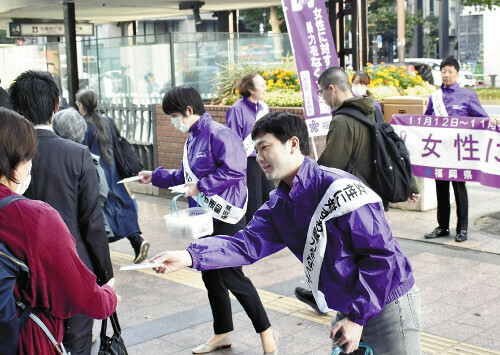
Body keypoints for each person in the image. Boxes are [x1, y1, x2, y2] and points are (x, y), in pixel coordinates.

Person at [149, 112, 422, 355]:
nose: (259, 158)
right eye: (256, 150)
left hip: (386, 303)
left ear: (293, 144)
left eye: (265, 147)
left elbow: (381, 257)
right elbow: (245, 245)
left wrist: (358, 317)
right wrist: (188, 256)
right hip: (350, 307)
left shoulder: (339, 188)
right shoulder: (280, 204)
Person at [138, 86, 277, 354]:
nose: (173, 122)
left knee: (230, 274)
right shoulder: (193, 138)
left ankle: (266, 331)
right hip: (204, 215)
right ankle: (222, 332)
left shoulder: (220, 134)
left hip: (226, 214)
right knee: (210, 275)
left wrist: (201, 187)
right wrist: (154, 176)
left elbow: (235, 172)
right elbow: (185, 175)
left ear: (189, 111)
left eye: (175, 115)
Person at [8, 70, 114, 355]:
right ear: (57, 104)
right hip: (72, 270)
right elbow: (93, 223)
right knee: (76, 344)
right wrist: (105, 276)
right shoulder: (76, 154)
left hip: (21, 280)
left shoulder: (7, 154)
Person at [76, 88, 150, 262]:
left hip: (97, 177)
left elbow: (83, 152)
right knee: (123, 206)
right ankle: (137, 241)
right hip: (115, 174)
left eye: (77, 103)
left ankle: (99, 255)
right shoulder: (107, 121)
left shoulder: (84, 127)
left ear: (82, 105)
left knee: (101, 214)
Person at [423, 57, 489, 243]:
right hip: (440, 152)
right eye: (444, 71)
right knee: (441, 190)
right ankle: (442, 226)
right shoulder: (434, 97)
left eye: (450, 71)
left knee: (459, 190)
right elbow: (426, 121)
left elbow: (482, 118)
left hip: (459, 153)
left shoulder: (467, 95)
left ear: (457, 74)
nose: (446, 74)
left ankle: (462, 228)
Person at [53, 107, 114, 238]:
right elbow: (102, 192)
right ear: (82, 131)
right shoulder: (87, 158)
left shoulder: (50, 156)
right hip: (84, 228)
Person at [226, 72, 275, 224]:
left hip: (265, 160)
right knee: (254, 202)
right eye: (262, 85)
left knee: (269, 198)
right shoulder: (236, 110)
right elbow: (234, 141)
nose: (265, 88)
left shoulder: (264, 108)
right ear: (251, 89)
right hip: (249, 162)